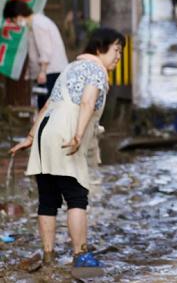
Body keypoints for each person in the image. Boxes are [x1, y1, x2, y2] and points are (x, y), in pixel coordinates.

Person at [9, 27, 125, 278]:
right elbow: (87, 101)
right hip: (66, 130)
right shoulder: (96, 69)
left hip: (45, 131)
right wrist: (79, 134)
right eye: (116, 50)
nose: (118, 56)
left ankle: (49, 257)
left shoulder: (70, 68)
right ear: (99, 48)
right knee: (76, 197)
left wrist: (30, 137)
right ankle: (80, 255)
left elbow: (49, 104)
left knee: (48, 199)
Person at [3, 0, 68, 109]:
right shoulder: (36, 23)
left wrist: (42, 71)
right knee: (47, 108)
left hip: (50, 72)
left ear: (18, 16)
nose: (14, 23)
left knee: (46, 110)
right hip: (50, 72)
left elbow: (45, 50)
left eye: (12, 20)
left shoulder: (38, 24)